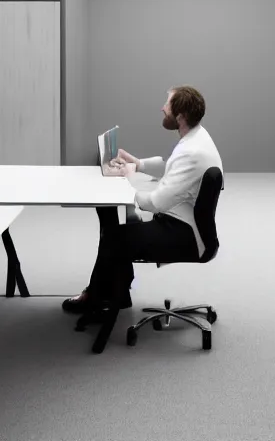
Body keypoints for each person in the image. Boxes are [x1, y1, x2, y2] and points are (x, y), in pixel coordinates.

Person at [62, 85, 223, 318]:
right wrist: (137, 165)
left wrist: (128, 184)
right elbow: (171, 165)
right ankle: (118, 294)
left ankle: (95, 298)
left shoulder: (192, 151)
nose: (162, 108)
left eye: (167, 105)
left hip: (187, 235)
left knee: (114, 237)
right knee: (119, 230)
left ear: (180, 116)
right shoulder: (195, 137)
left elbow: (155, 203)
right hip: (184, 222)